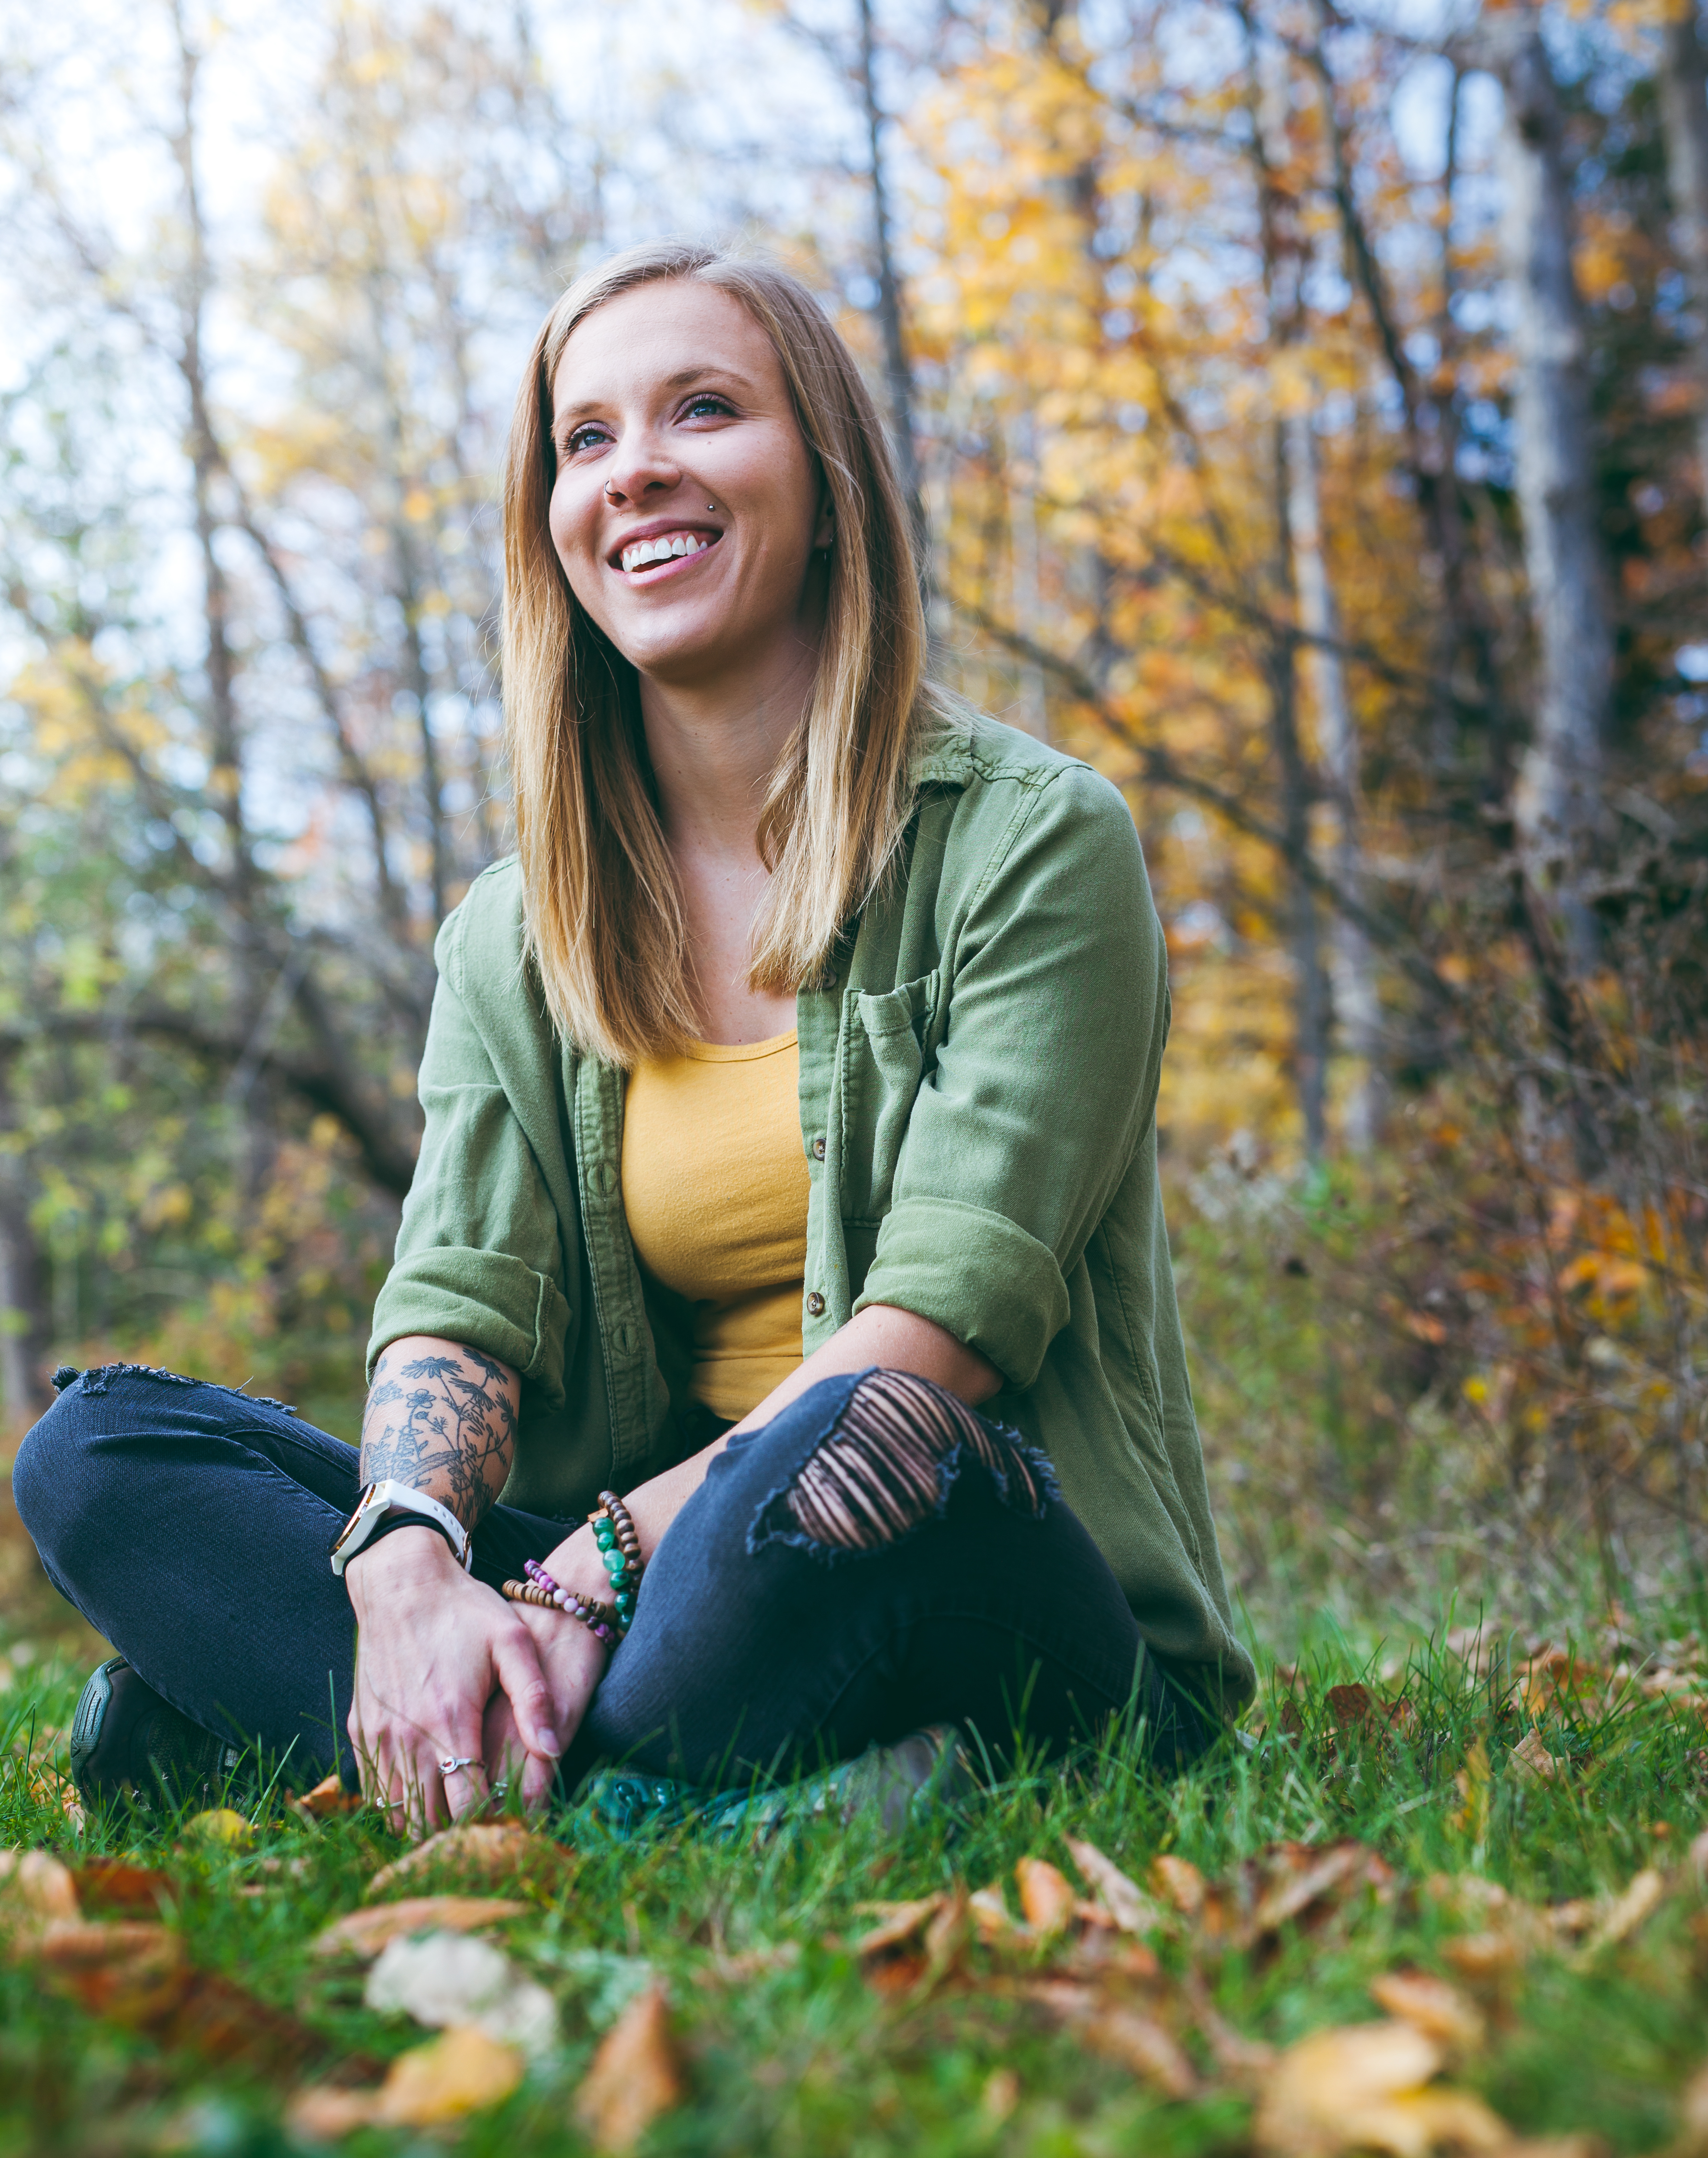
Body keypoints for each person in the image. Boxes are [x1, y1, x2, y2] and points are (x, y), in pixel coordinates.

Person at [13, 240, 1253, 1832]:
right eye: (584, 438)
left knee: (823, 1470)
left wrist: (582, 1571)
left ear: (826, 478)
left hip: (945, 1559)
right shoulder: (514, 929)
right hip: (641, 1597)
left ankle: (316, 1736)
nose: (635, 470)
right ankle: (636, 1774)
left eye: (704, 409)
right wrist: (406, 1569)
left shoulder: (1031, 844)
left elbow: (949, 1320)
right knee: (97, 1448)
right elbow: (454, 1297)